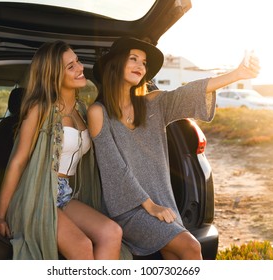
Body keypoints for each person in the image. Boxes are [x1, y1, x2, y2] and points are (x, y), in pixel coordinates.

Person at [88, 36, 260, 260]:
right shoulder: (98, 113)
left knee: (177, 254)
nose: (140, 65)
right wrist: (150, 206)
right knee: (191, 247)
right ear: (115, 64)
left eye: (144, 62)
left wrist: (236, 75)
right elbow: (114, 169)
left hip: (162, 201)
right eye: (133, 59)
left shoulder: (153, 104)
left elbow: (188, 92)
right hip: (127, 208)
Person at [0, 40, 122, 260]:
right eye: (70, 66)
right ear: (53, 76)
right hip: (37, 194)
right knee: (82, 246)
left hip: (65, 194)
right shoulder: (39, 110)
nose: (80, 68)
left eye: (77, 61)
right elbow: (18, 161)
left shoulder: (83, 111)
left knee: (112, 232)